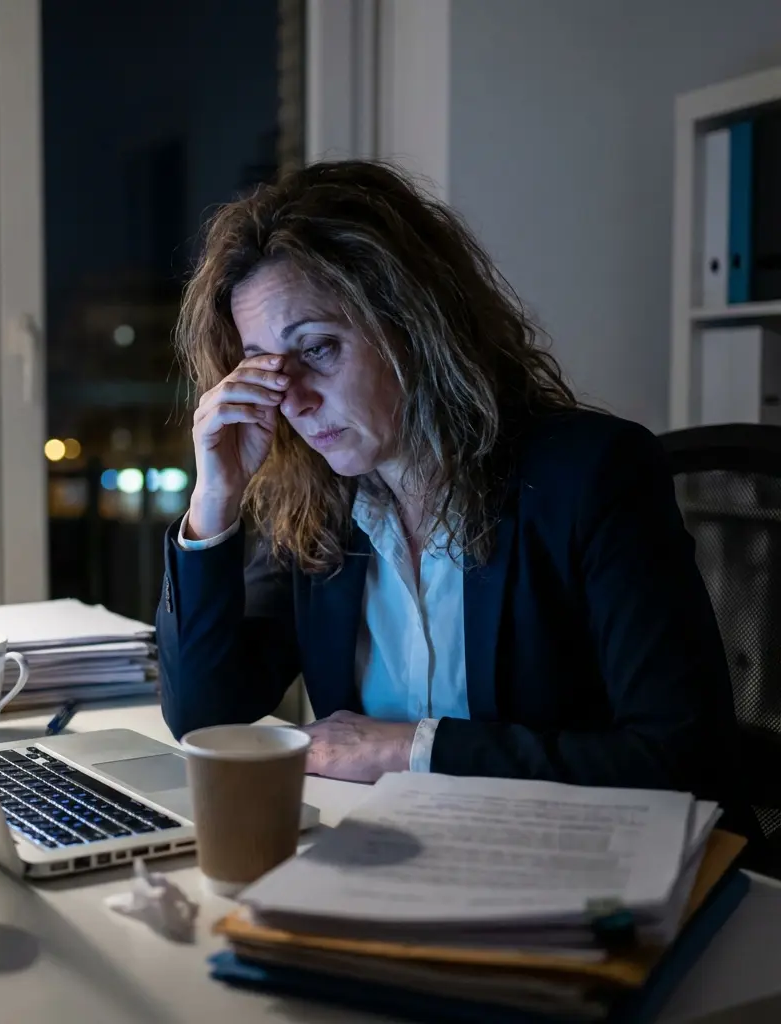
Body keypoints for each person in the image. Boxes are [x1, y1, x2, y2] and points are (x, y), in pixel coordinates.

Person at [156, 160, 741, 810]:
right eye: (265, 368)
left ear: (415, 324)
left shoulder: (592, 475)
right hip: (395, 848)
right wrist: (214, 501)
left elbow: (683, 759)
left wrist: (412, 749)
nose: (293, 399)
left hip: (575, 854)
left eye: (317, 349)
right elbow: (205, 719)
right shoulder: (315, 503)